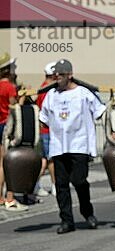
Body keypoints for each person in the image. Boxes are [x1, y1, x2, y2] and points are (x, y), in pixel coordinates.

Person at [39, 59, 105, 234]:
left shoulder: (84, 94)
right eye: (55, 75)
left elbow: (100, 111)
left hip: (79, 144)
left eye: (60, 74)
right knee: (61, 184)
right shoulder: (51, 96)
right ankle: (66, 220)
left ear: (69, 75)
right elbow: (43, 118)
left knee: (79, 180)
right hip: (58, 146)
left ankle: (87, 213)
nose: (57, 78)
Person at [0, 53, 28, 211]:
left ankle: (1, 198)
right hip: (7, 126)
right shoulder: (9, 87)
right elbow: (14, 107)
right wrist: (21, 100)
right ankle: (10, 198)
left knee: (1, 165)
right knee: (9, 164)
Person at [34, 61, 57, 197]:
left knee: (45, 160)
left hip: (45, 130)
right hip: (48, 130)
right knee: (51, 160)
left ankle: (36, 185)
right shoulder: (47, 90)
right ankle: (54, 185)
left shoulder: (43, 88)